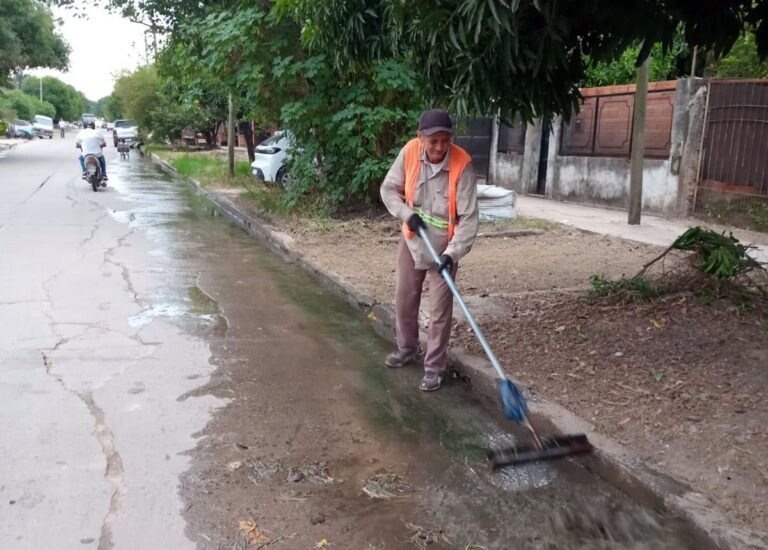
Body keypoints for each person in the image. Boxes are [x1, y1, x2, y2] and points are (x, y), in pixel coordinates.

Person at [380, 109, 479, 392]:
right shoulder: (410, 152)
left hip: (445, 250)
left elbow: (469, 219)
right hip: (413, 241)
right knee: (405, 299)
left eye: (445, 140)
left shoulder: (462, 165)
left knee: (439, 311)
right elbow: (388, 189)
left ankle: (435, 367)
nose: (439, 147)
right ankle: (407, 348)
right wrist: (406, 214)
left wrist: (452, 254)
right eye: (433, 141)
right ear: (420, 137)